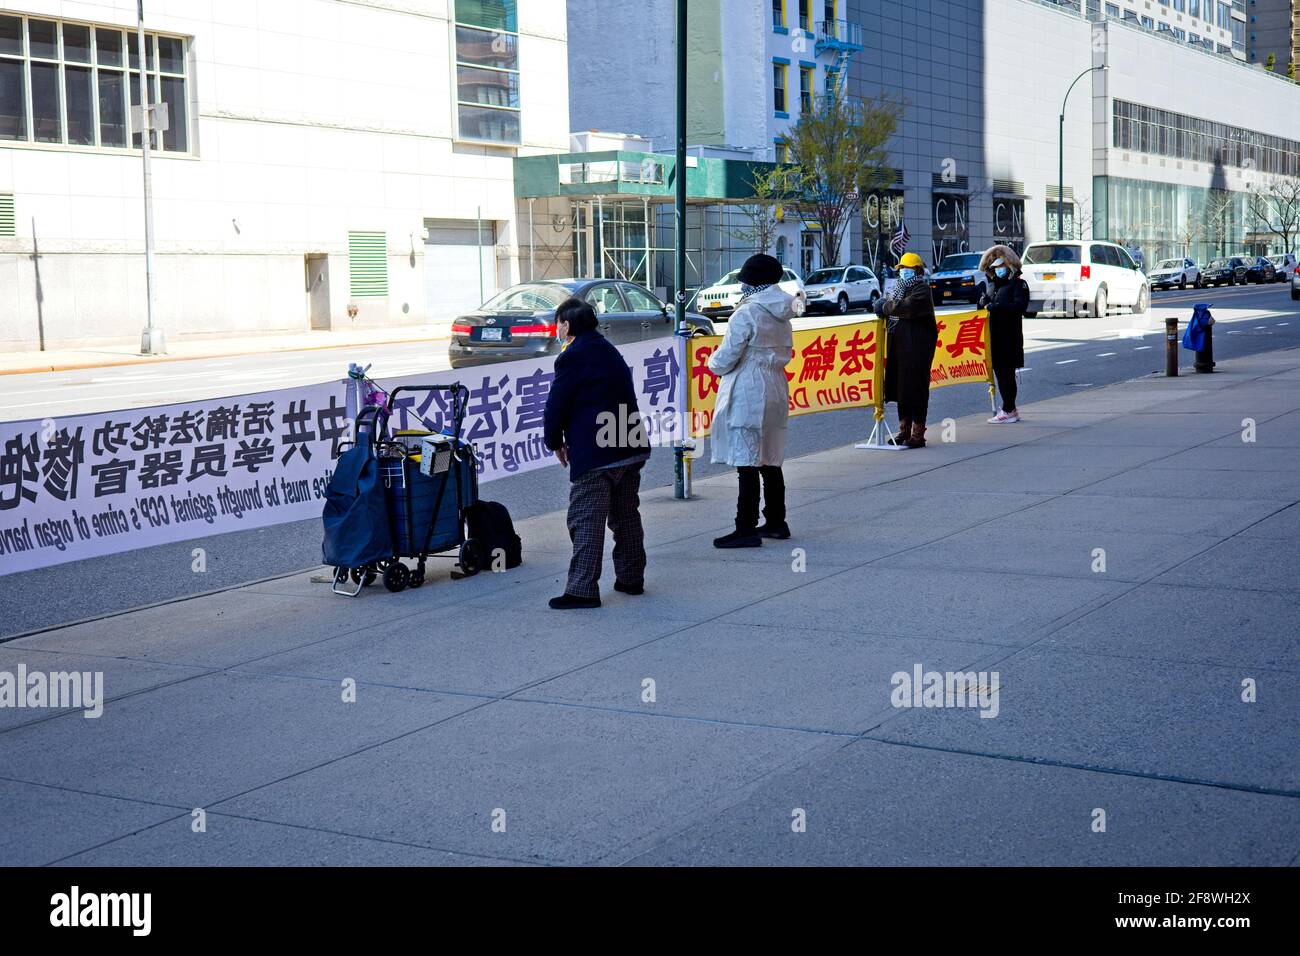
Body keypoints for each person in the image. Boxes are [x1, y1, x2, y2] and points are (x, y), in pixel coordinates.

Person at [542, 297, 650, 609]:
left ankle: (581, 590)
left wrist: (554, 442)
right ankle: (631, 579)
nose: (558, 330)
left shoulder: (572, 356)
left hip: (597, 449)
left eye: (558, 324)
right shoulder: (609, 349)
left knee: (585, 518)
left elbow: (555, 406)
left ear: (566, 325)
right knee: (626, 514)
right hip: (628, 442)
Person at [708, 253, 797, 548]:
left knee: (746, 461)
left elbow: (726, 357)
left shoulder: (746, 313)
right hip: (775, 387)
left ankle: (744, 527)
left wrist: (712, 364)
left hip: (748, 389)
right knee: (771, 457)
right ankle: (775, 521)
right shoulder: (783, 313)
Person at [870, 251, 937, 448]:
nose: (903, 272)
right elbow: (895, 307)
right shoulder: (899, 288)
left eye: (906, 269)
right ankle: (904, 431)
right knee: (901, 388)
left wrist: (886, 306)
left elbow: (905, 307)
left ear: (916, 270)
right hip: (899, 348)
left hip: (917, 349)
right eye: (901, 269)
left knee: (916, 389)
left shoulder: (921, 289)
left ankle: (918, 433)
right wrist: (886, 306)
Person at [977, 245, 1029, 423]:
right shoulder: (993, 286)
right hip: (994, 337)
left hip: (1009, 336)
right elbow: (983, 308)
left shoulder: (1018, 284)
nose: (998, 271)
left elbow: (1020, 307)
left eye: (1002, 267)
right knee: (1000, 373)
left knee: (1007, 373)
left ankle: (1009, 408)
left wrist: (997, 307)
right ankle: (1009, 408)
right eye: (995, 268)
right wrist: (982, 301)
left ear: (1009, 267)